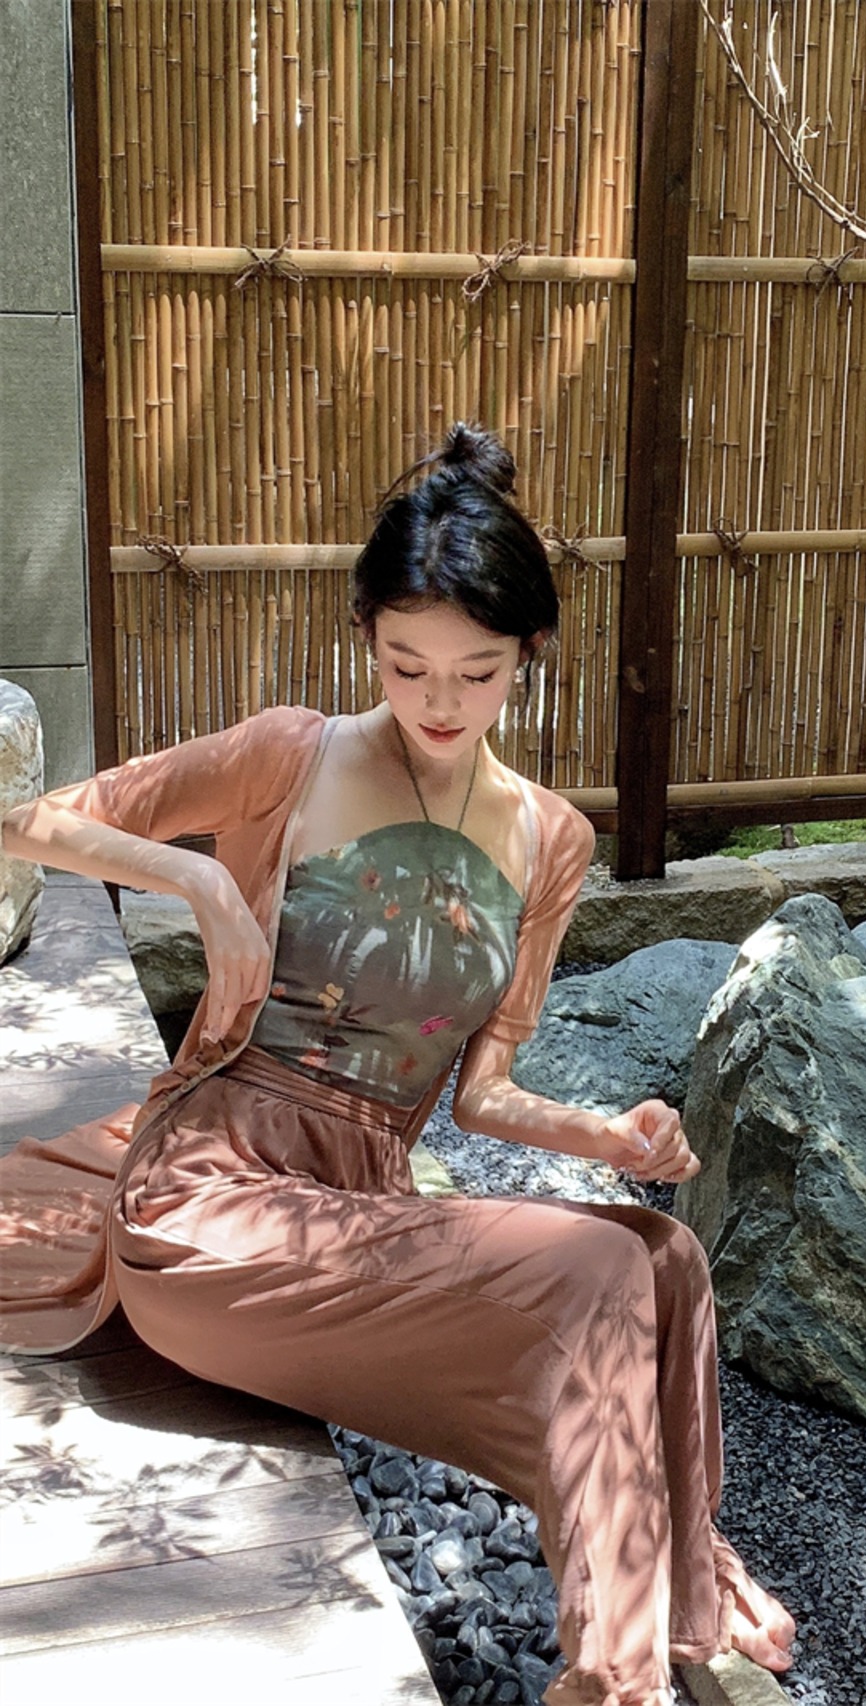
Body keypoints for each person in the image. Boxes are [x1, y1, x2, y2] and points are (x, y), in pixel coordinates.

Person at [0, 424, 795, 1706]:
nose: (438, 701)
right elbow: (24, 818)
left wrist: (608, 1134)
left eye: (477, 672)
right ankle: (621, 1672)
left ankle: (625, 1635)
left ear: (528, 653)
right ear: (366, 632)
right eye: (405, 663)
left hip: (357, 1206)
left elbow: (480, 1093)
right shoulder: (290, 752)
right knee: (601, 1268)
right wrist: (199, 879)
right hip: (207, 1202)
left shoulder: (549, 838)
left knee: (657, 1253)